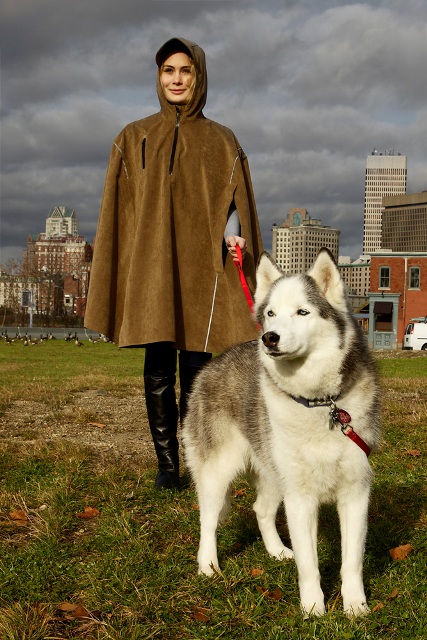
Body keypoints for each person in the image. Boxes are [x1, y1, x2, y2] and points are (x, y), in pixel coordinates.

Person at [85, 37, 263, 490]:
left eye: (185, 70)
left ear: (198, 76)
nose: (177, 79)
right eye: (168, 70)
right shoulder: (133, 137)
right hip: (153, 268)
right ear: (159, 77)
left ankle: (197, 454)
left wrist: (233, 232)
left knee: (198, 367)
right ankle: (168, 465)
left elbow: (233, 201)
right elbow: (121, 211)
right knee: (159, 363)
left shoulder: (222, 140)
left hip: (202, 266)